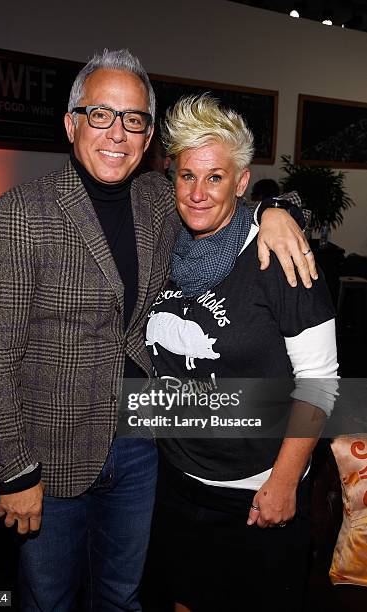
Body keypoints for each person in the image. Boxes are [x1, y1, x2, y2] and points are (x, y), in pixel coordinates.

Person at [0, 50, 317, 612]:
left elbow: (224, 197)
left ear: (148, 135)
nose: (117, 132)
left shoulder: (157, 198)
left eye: (133, 119)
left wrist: (279, 207)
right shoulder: (19, 215)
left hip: (142, 450)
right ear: (71, 123)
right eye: (100, 114)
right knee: (48, 600)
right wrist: (13, 470)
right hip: (51, 458)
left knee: (123, 596)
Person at [143, 94, 338, 612]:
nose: (199, 192)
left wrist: (282, 481)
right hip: (178, 481)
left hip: (256, 490)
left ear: (242, 181)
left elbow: (319, 378)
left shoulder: (280, 254)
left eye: (215, 177)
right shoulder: (163, 244)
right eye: (188, 176)